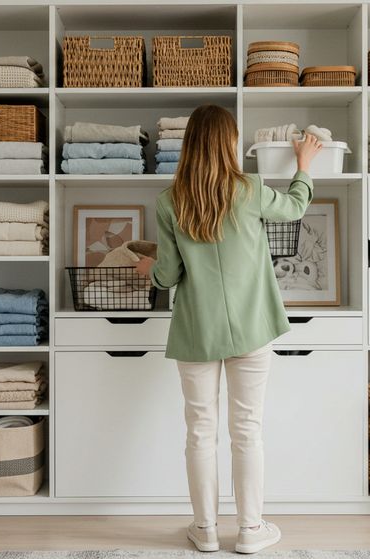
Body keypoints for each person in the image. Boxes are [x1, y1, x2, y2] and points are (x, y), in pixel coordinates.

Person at [135, 104, 320, 554]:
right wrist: (304, 166)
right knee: (247, 429)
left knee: (200, 431)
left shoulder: (169, 200)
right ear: (229, 143)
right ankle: (251, 531)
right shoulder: (251, 189)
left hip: (198, 331)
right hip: (252, 328)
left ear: (190, 144)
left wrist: (149, 269)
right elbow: (295, 207)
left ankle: (206, 530)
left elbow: (168, 275)